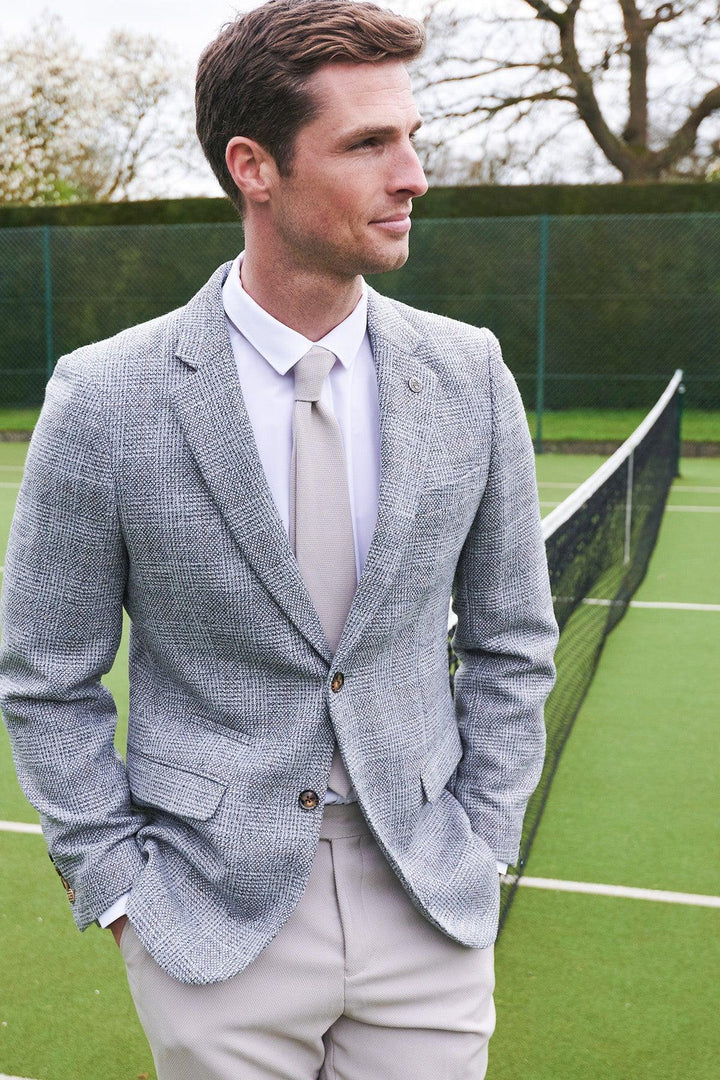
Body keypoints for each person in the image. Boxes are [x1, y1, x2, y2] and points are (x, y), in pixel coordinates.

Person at [0, 1, 558, 1077]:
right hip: (206, 921)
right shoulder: (104, 397)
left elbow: (515, 641)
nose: (413, 176)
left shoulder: (470, 373)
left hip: (428, 898)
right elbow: (45, 678)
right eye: (367, 144)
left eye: (412, 138)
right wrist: (116, 888)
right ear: (254, 167)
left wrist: (484, 839)